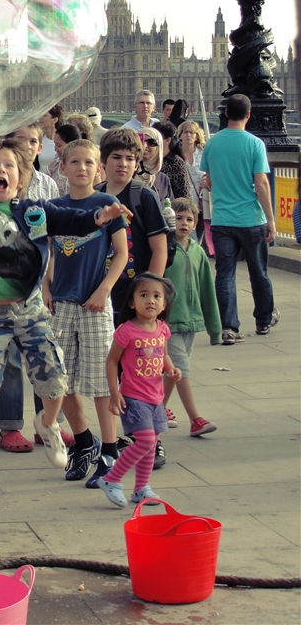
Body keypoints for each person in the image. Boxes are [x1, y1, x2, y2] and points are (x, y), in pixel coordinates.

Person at [0, 135, 130, 480]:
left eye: (8, 166)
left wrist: (100, 215)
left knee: (53, 376)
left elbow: (72, 220)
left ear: (21, 175)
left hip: (31, 311)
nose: (0, 170)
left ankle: (47, 424)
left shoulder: (35, 211)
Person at [44, 139, 129, 490]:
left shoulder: (107, 204)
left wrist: (105, 289)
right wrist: (46, 288)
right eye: (74, 162)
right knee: (59, 379)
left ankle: (109, 451)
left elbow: (122, 254)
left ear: (99, 169)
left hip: (94, 302)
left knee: (99, 380)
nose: (81, 168)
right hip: (60, 301)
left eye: (88, 163)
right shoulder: (52, 207)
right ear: (62, 168)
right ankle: (83, 442)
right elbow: (45, 251)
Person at [96, 127, 169, 470]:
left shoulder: (143, 197)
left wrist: (150, 292)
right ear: (104, 161)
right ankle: (129, 433)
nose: (123, 164)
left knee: (143, 371)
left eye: (129, 159)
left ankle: (151, 440)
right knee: (118, 369)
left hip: (135, 298)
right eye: (116, 158)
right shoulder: (94, 196)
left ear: (137, 162)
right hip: (103, 295)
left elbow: (159, 247)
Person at [0, 123, 59, 453]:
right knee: (11, 358)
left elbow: (52, 238)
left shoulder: (47, 185)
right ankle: (8, 426)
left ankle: (46, 422)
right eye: (21, 141)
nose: (29, 147)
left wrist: (50, 282)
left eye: (34, 141)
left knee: (43, 355)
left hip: (38, 282)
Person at [200, 94, 278, 343]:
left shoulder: (212, 144)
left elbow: (208, 182)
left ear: (224, 115)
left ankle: (229, 327)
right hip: (250, 219)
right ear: (248, 114)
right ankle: (264, 320)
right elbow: (261, 183)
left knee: (224, 274)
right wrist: (271, 219)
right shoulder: (254, 144)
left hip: (222, 220)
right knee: (259, 272)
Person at [98, 273, 181, 508]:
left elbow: (163, 354)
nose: (151, 301)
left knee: (151, 443)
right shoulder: (126, 331)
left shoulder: (162, 329)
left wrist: (171, 369)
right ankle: (111, 479)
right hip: (134, 397)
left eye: (157, 296)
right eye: (144, 295)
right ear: (132, 302)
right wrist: (114, 393)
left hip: (156, 397)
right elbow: (112, 361)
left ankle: (141, 488)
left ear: (164, 304)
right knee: (144, 441)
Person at [163, 198, 221, 436]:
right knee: (181, 369)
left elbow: (208, 290)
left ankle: (157, 408)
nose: (184, 223)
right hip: (168, 323)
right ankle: (195, 419)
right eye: (178, 218)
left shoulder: (198, 253)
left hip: (191, 321)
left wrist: (214, 327)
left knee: (173, 371)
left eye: (189, 219)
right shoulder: (163, 249)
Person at [136, 126, 173, 204]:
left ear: (159, 147)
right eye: (141, 141)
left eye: (151, 142)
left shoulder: (163, 179)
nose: (145, 146)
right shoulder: (129, 174)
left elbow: (170, 207)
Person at [156, 122, 192, 199]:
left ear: (168, 140)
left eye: (156, 138)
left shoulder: (176, 163)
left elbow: (184, 195)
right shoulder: (148, 160)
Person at [48, 124, 82, 196]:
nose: (55, 149)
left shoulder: (86, 167)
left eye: (59, 145)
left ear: (72, 144)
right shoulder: (53, 166)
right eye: (55, 144)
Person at [177, 120, 205, 207]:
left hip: (203, 201)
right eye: (185, 132)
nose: (188, 135)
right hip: (184, 201)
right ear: (180, 135)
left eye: (192, 132)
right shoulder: (176, 155)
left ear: (196, 136)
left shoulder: (203, 154)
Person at [38, 104, 64, 173]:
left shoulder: (64, 141)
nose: (40, 118)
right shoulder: (39, 140)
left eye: (44, 115)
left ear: (55, 120)